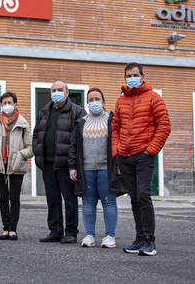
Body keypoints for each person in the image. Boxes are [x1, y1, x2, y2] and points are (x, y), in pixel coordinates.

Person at [113, 63, 171, 256]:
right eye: (128, 76)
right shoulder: (121, 101)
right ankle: (139, 239)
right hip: (125, 157)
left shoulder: (154, 98)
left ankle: (149, 241)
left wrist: (150, 151)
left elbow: (164, 126)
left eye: (135, 75)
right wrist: (117, 152)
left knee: (143, 196)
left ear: (142, 76)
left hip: (143, 156)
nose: (131, 78)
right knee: (134, 199)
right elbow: (115, 128)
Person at [33, 80, 85, 244]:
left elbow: (80, 140)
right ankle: (55, 231)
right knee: (52, 198)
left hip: (66, 164)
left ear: (67, 92)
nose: (56, 93)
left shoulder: (77, 111)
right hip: (47, 163)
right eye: (53, 90)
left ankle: (71, 232)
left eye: (59, 90)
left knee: (69, 199)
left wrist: (74, 164)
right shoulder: (44, 111)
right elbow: (37, 134)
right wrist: (37, 151)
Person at [75, 87, 126, 249]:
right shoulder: (81, 122)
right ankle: (89, 236)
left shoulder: (112, 119)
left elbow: (120, 142)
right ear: (87, 103)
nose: (94, 102)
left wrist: (119, 164)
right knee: (88, 203)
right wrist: (72, 167)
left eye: (97, 99)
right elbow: (73, 147)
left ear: (103, 102)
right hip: (86, 170)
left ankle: (110, 236)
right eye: (91, 99)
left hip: (106, 169)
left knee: (108, 202)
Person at [0, 91, 33, 241]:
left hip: (16, 166)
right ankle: (5, 228)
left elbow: (31, 148)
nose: (7, 105)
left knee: (14, 198)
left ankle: (13, 229)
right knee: (3, 198)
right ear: (1, 105)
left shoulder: (23, 124)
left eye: (9, 103)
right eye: (4, 103)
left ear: (15, 104)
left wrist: (21, 155)